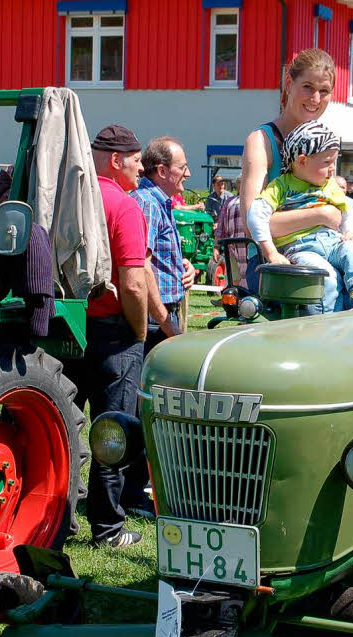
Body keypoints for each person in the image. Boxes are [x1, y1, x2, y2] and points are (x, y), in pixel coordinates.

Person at [85, 124, 151, 548]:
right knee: (113, 433)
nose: (142, 168)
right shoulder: (124, 206)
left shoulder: (70, 198)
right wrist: (140, 332)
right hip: (113, 332)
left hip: (69, 327)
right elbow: (132, 283)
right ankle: (108, 527)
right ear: (116, 160)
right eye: (137, 160)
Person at [238, 48, 342, 310]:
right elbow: (253, 225)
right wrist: (321, 215)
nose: (315, 98)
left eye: (324, 91)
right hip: (275, 267)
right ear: (288, 84)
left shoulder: (326, 143)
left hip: (323, 257)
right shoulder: (262, 141)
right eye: (307, 87)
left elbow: (337, 211)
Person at [247, 120, 353, 309]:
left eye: (334, 162)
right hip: (302, 247)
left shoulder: (330, 185)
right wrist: (271, 252)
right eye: (327, 162)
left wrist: (351, 230)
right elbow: (256, 213)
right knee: (324, 277)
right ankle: (324, 318)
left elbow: (346, 209)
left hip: (334, 243)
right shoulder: (281, 186)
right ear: (302, 161)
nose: (333, 168)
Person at [130, 137, 197, 355]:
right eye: (182, 167)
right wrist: (168, 324)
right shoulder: (148, 203)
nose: (188, 174)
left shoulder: (158, 202)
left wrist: (182, 266)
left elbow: (156, 256)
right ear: (162, 170)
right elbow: (141, 266)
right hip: (155, 320)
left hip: (159, 317)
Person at [213, 193, 249, 284]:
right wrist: (216, 247)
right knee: (237, 281)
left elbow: (220, 228)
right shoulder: (230, 202)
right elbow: (220, 227)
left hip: (245, 249)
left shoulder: (231, 202)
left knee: (243, 280)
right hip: (238, 249)